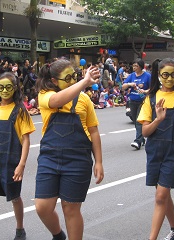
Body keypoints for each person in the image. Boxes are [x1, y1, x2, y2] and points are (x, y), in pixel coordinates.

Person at [34, 59, 104, 240]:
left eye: (75, 76)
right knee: (42, 207)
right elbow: (57, 100)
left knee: (71, 208)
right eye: (68, 78)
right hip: (49, 158)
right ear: (54, 81)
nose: (73, 80)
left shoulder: (84, 99)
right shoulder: (45, 95)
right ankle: (58, 235)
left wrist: (99, 162)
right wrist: (84, 82)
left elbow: (94, 131)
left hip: (78, 160)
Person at [137, 58, 174, 240]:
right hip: (155, 152)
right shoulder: (151, 99)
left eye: (173, 74)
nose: (169, 79)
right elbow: (145, 132)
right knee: (163, 195)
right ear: (159, 75)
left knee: (160, 196)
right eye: (165, 75)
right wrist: (158, 119)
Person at [0, 72, 35, 240]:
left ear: (15, 88)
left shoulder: (20, 111)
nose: (4, 91)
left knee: (15, 198)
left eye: (8, 87)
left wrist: (21, 164)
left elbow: (26, 141)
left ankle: (20, 229)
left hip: (12, 163)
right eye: (1, 87)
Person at [122, 58, 151, 150]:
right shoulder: (131, 76)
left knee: (139, 121)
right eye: (133, 66)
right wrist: (130, 84)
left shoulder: (147, 76)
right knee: (135, 120)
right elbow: (123, 86)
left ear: (141, 67)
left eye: (136, 66)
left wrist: (145, 91)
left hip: (143, 101)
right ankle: (141, 138)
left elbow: (152, 88)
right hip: (132, 100)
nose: (134, 67)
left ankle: (137, 141)